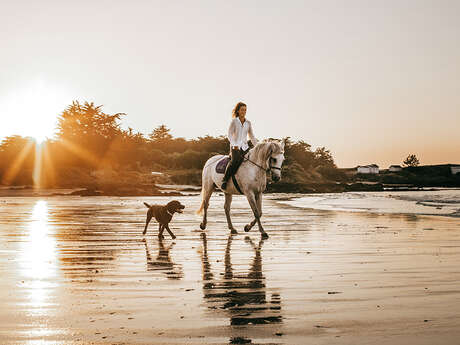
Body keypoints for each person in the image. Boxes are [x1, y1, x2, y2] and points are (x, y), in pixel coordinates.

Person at [221, 102, 258, 190]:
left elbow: (251, 136)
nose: (244, 111)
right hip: (235, 147)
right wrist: (234, 145)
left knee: (253, 161)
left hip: (245, 147)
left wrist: (257, 146)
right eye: (242, 110)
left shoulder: (248, 122)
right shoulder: (234, 121)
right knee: (234, 161)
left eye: (245, 110)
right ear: (238, 111)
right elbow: (230, 134)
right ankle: (225, 180)